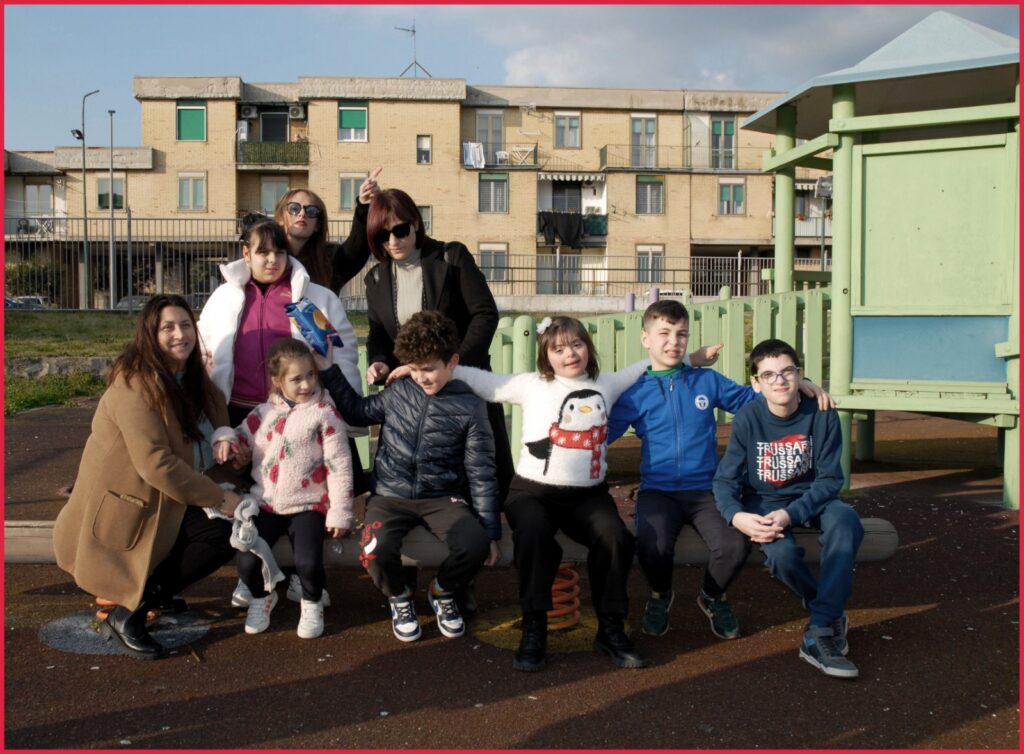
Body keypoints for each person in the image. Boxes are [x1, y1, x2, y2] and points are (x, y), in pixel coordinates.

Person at [432, 315, 654, 672]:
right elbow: (483, 381)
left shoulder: (606, 383)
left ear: (588, 348)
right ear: (546, 356)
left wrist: (691, 358)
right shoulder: (532, 384)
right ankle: (534, 626)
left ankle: (610, 628)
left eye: (577, 345)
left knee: (616, 538)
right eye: (559, 348)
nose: (570, 354)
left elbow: (646, 366)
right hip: (533, 492)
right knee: (533, 533)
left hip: (588, 495)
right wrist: (431, 371)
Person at [608, 300, 833, 640]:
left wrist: (800, 382)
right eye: (664, 334)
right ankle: (660, 595)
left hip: (706, 490)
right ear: (645, 339)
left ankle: (711, 596)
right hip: (659, 490)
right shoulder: (634, 393)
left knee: (734, 546)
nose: (674, 342)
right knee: (652, 546)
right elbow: (600, 434)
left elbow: (756, 396)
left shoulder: (706, 381)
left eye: (682, 334)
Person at [53, 295, 242, 659]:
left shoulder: (191, 381)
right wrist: (219, 497)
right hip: (130, 506)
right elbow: (155, 463)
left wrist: (230, 447)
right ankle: (130, 612)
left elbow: (212, 422)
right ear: (149, 334)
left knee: (224, 530)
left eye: (186, 325)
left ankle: (150, 593)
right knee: (219, 533)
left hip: (166, 497)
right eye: (167, 327)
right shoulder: (134, 384)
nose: (180, 334)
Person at [198, 217, 364, 608]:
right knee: (251, 499)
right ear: (245, 254)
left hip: (299, 412)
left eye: (279, 251)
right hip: (241, 412)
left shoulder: (314, 298)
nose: (272, 259)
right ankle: (253, 572)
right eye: (262, 251)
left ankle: (297, 576)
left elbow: (341, 351)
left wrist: (346, 405)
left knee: (297, 494)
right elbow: (205, 350)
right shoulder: (224, 297)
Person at [318, 310, 500, 643]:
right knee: (373, 549)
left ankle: (442, 592)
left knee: (474, 544)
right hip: (390, 494)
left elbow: (481, 471)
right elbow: (357, 410)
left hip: (443, 497)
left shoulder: (471, 406)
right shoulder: (399, 392)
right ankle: (399, 597)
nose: (422, 377)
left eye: (430, 368)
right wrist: (328, 368)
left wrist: (489, 529)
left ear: (452, 362)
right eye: (414, 369)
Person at [713, 338, 864, 679]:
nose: (779, 381)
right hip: (765, 503)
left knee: (847, 521)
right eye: (769, 375)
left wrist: (791, 513)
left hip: (814, 499)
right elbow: (724, 481)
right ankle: (825, 608)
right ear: (756, 383)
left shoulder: (823, 414)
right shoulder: (748, 419)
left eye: (787, 372)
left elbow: (830, 480)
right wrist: (737, 516)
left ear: (800, 375)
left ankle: (820, 630)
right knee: (782, 556)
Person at [363, 188, 514, 504]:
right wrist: (379, 361)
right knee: (429, 483)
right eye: (383, 237)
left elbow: (484, 313)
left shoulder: (451, 257)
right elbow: (379, 332)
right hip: (417, 394)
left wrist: (452, 365)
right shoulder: (376, 278)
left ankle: (487, 539)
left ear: (415, 223)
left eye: (400, 230)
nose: (394, 241)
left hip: (464, 384)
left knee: (479, 481)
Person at [215, 337, 353, 640]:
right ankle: (263, 597)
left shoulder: (324, 413)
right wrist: (225, 438)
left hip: (309, 504)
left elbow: (339, 465)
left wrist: (341, 511)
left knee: (307, 560)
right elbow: (239, 436)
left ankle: (312, 601)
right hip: (266, 503)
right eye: (296, 379)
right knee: (247, 558)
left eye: (310, 376)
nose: (306, 385)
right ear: (278, 381)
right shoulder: (263, 413)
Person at [273, 169, 381, 295]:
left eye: (311, 211)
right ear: (280, 217)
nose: (302, 214)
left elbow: (356, 249)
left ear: (317, 225)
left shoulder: (329, 260)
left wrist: (365, 205)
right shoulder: (267, 256)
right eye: (294, 208)